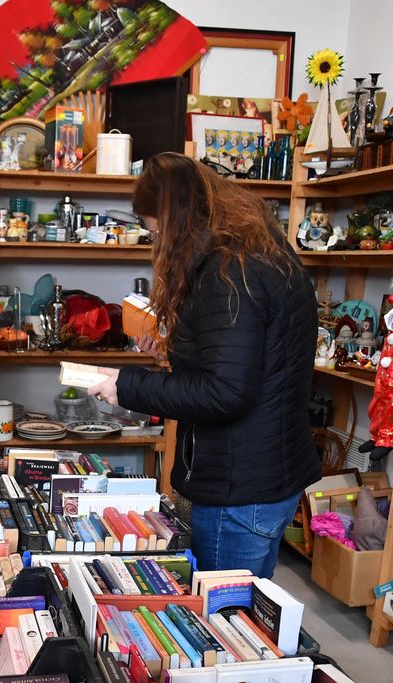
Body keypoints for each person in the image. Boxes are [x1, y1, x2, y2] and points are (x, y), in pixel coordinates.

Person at [87, 153, 320, 577]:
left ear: (178, 221)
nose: (158, 244)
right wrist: (175, 352)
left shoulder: (228, 275)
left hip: (239, 486)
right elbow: (255, 361)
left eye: (157, 232)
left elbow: (224, 392)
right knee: (247, 604)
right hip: (268, 473)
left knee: (223, 610)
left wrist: (127, 386)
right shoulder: (262, 254)